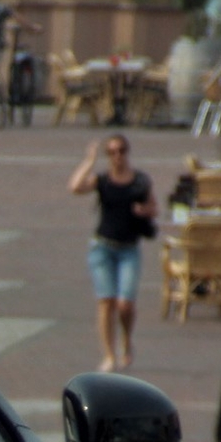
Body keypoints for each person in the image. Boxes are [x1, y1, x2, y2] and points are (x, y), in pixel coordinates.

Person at [69, 134, 155, 372]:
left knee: (125, 304)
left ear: (128, 152)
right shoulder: (103, 180)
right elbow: (75, 187)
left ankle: (126, 340)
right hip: (103, 247)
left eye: (121, 151)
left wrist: (144, 210)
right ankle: (108, 354)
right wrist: (89, 161)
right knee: (106, 301)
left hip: (129, 248)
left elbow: (154, 207)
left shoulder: (139, 181)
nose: (118, 156)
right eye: (112, 152)